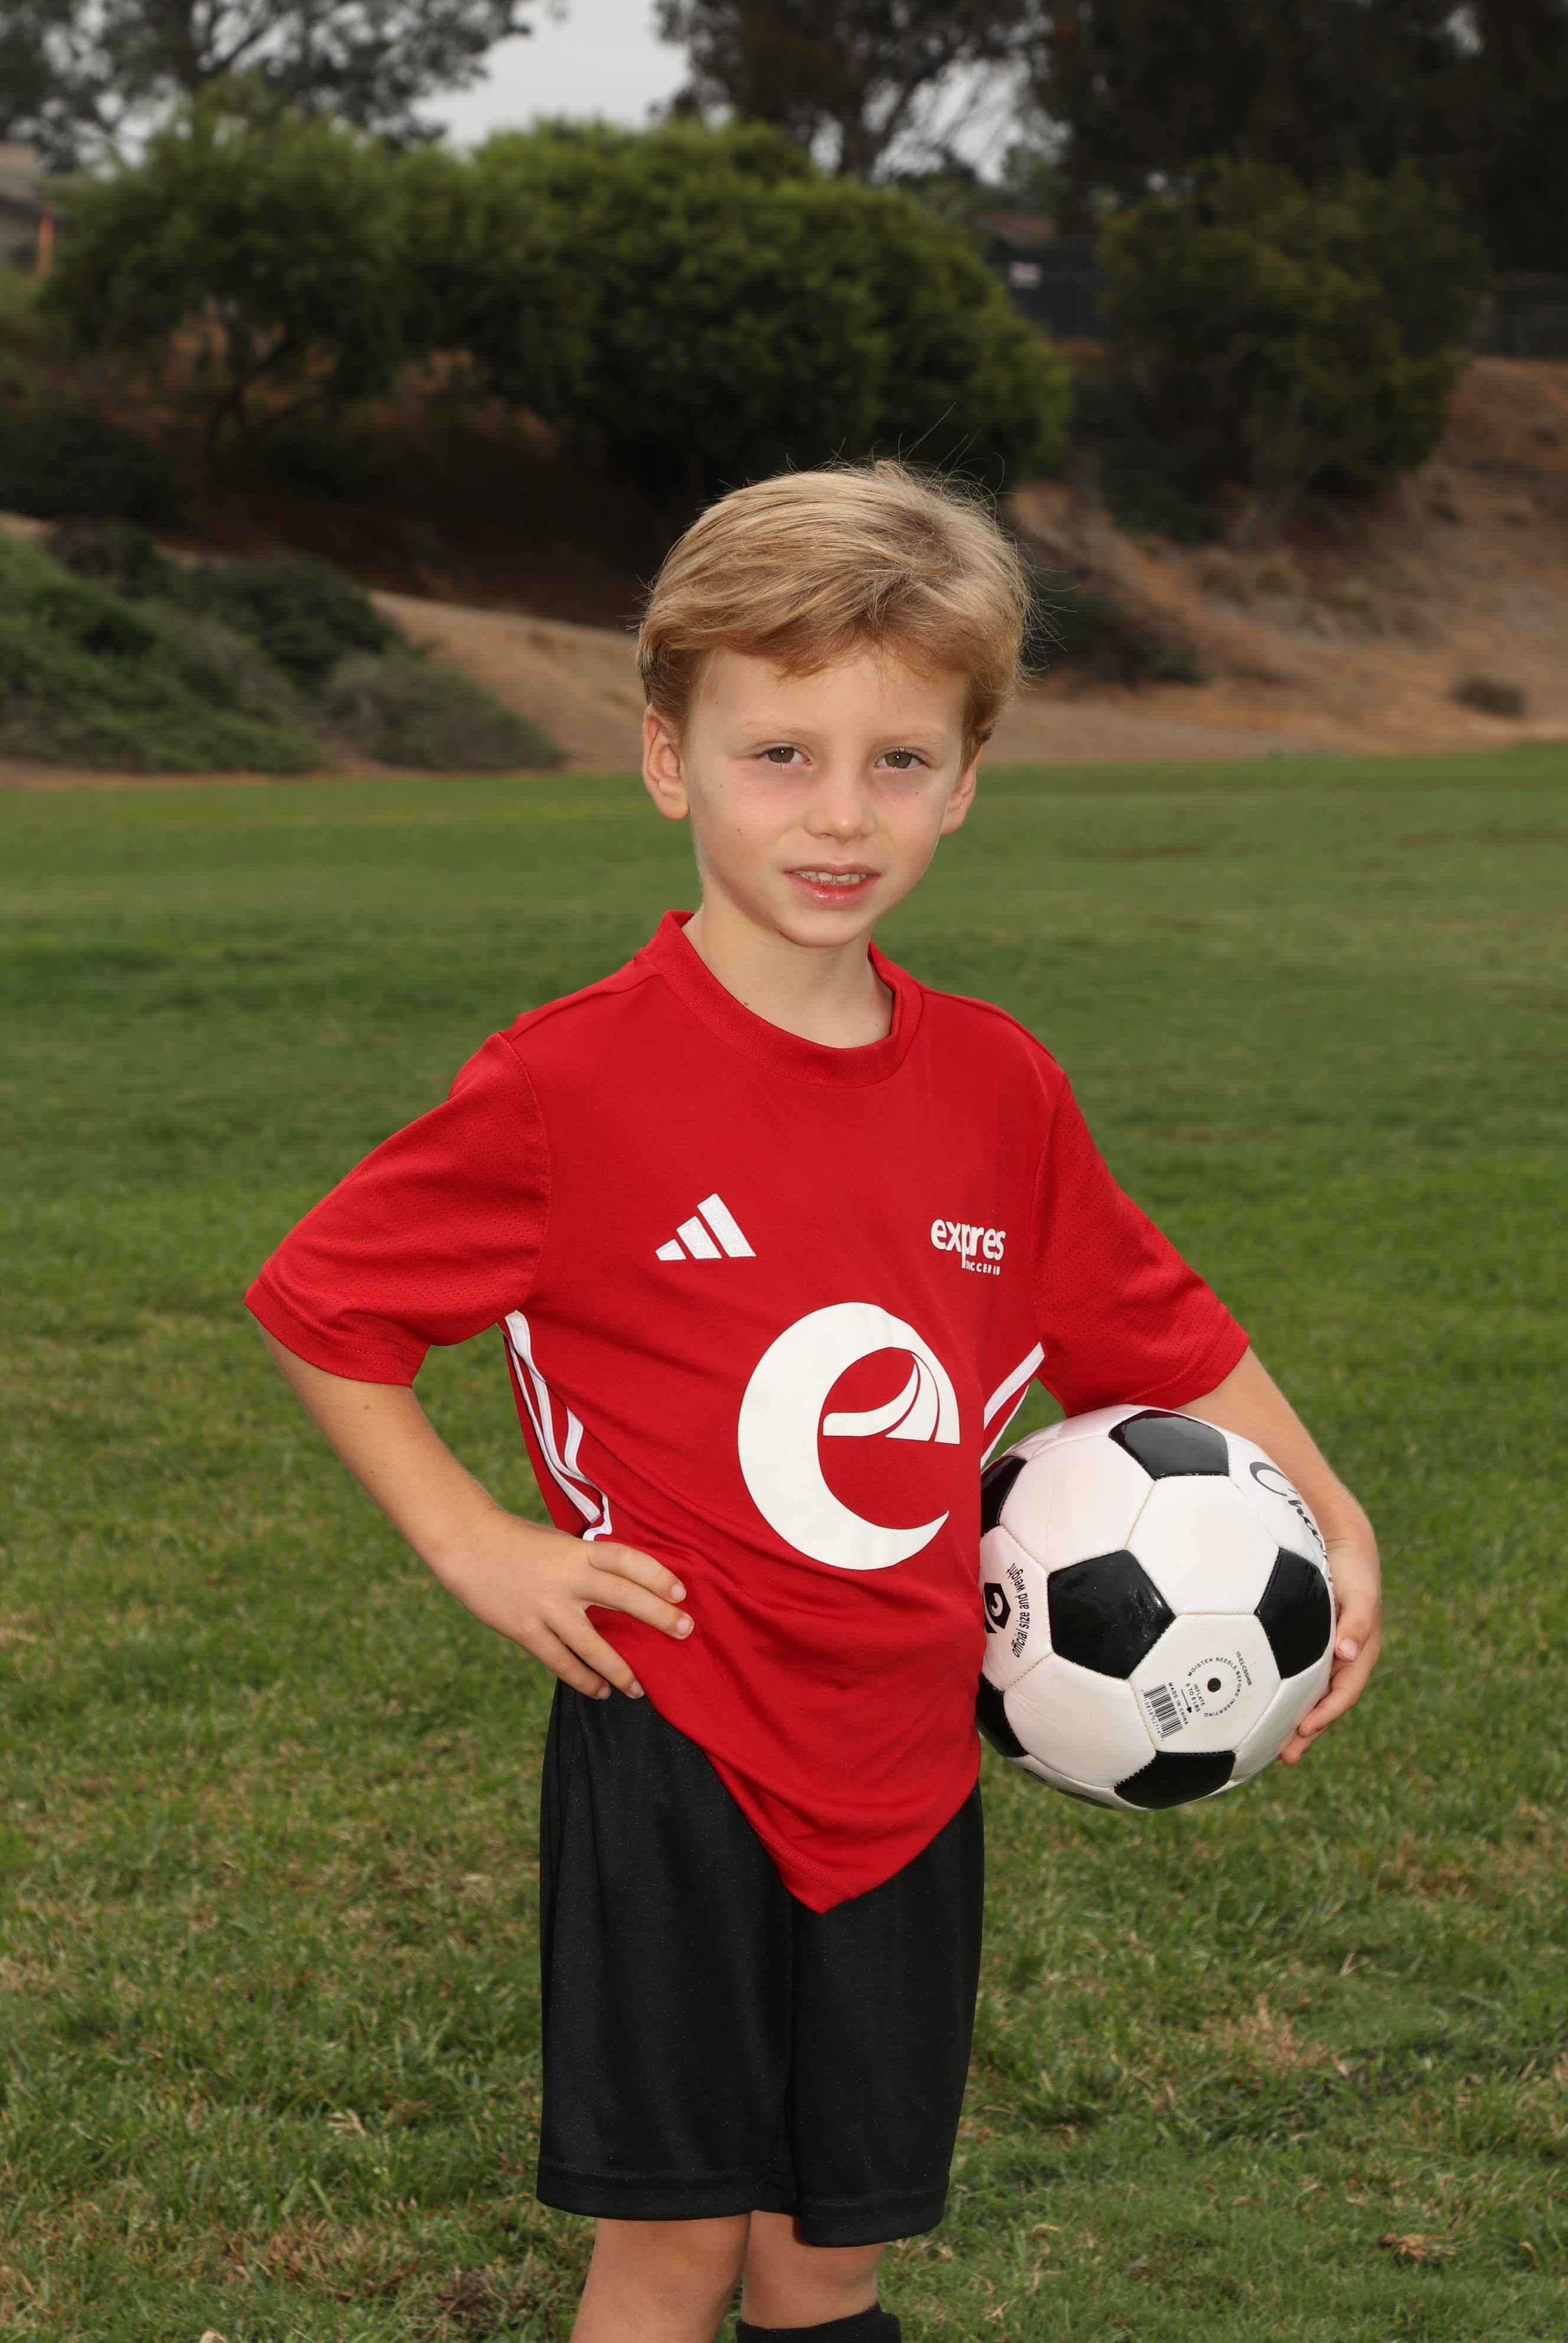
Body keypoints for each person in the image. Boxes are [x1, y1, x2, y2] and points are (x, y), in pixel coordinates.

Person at [246, 464, 1381, 2343]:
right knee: (677, 2249)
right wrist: (476, 1546)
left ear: (967, 777)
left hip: (911, 1756)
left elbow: (1159, 1336)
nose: (841, 813)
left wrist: (1327, 1510)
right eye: (780, 755)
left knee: (827, 2256)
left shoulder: (999, 1092)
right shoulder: (571, 1087)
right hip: (679, 1740)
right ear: (668, 759)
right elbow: (324, 1303)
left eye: (899, 761)